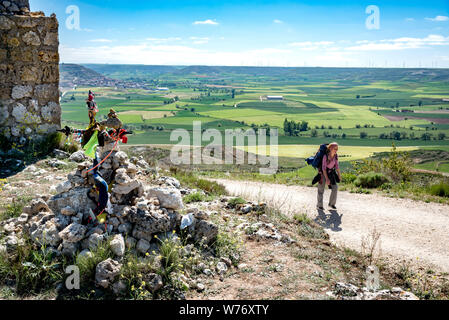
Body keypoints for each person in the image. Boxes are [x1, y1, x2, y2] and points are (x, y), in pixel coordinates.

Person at [317, 142, 341, 210]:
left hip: (331, 173)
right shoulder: (325, 156)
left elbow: (337, 166)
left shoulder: (336, 156)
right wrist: (327, 179)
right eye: (334, 148)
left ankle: (331, 204)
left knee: (335, 188)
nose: (336, 150)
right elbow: (324, 169)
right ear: (330, 148)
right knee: (321, 189)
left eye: (337, 149)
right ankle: (319, 205)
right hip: (323, 173)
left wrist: (339, 175)